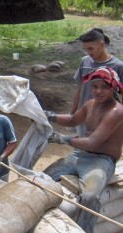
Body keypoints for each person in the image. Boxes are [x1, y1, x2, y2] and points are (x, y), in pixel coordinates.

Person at [44, 67, 123, 233]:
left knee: (89, 197)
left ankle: (84, 229)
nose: (98, 91)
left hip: (101, 160)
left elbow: (93, 142)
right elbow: (73, 120)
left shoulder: (117, 111)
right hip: (81, 154)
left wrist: (64, 139)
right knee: (42, 178)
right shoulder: (90, 104)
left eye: (104, 87)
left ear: (113, 88)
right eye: (95, 86)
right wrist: (50, 115)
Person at [71, 28, 123, 136]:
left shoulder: (118, 66)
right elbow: (81, 88)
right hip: (84, 115)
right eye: (86, 49)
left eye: (91, 48)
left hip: (104, 117)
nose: (88, 52)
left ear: (102, 44)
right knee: (82, 147)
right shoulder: (85, 61)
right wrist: (73, 112)